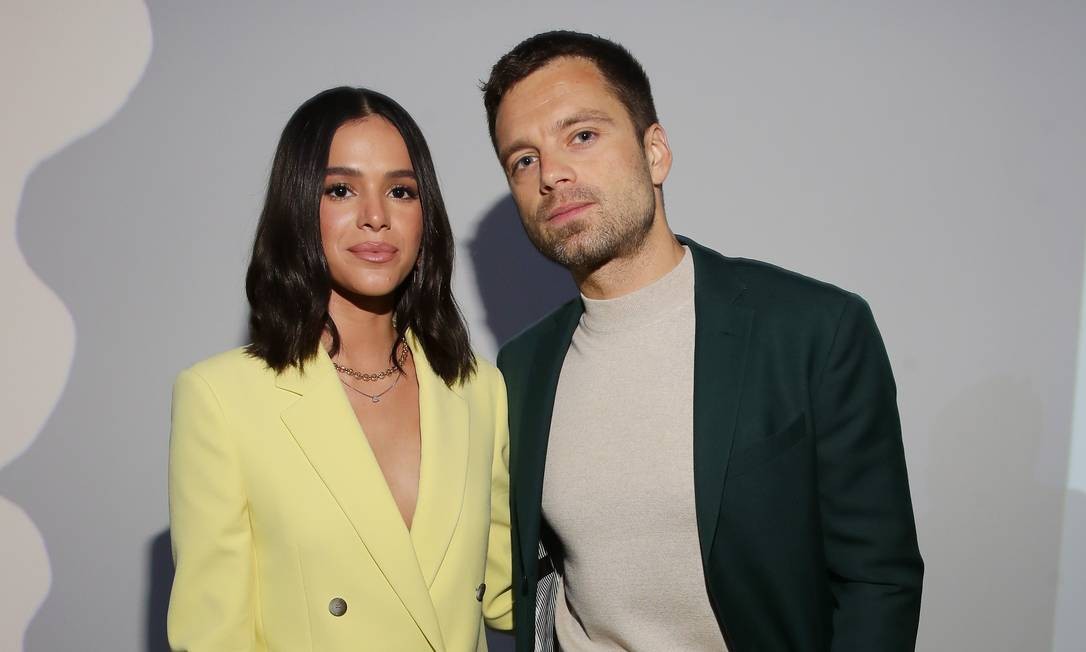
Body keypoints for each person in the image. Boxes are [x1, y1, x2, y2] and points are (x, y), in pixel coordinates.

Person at [482, 31, 923, 651]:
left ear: (655, 151)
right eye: (522, 160)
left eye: (581, 135)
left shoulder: (813, 329)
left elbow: (878, 581)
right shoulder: (520, 368)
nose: (551, 173)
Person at [167, 86, 512, 651]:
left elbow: (506, 593)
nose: (376, 217)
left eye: (401, 190)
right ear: (299, 205)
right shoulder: (221, 398)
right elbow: (213, 637)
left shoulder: (476, 388)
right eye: (341, 189)